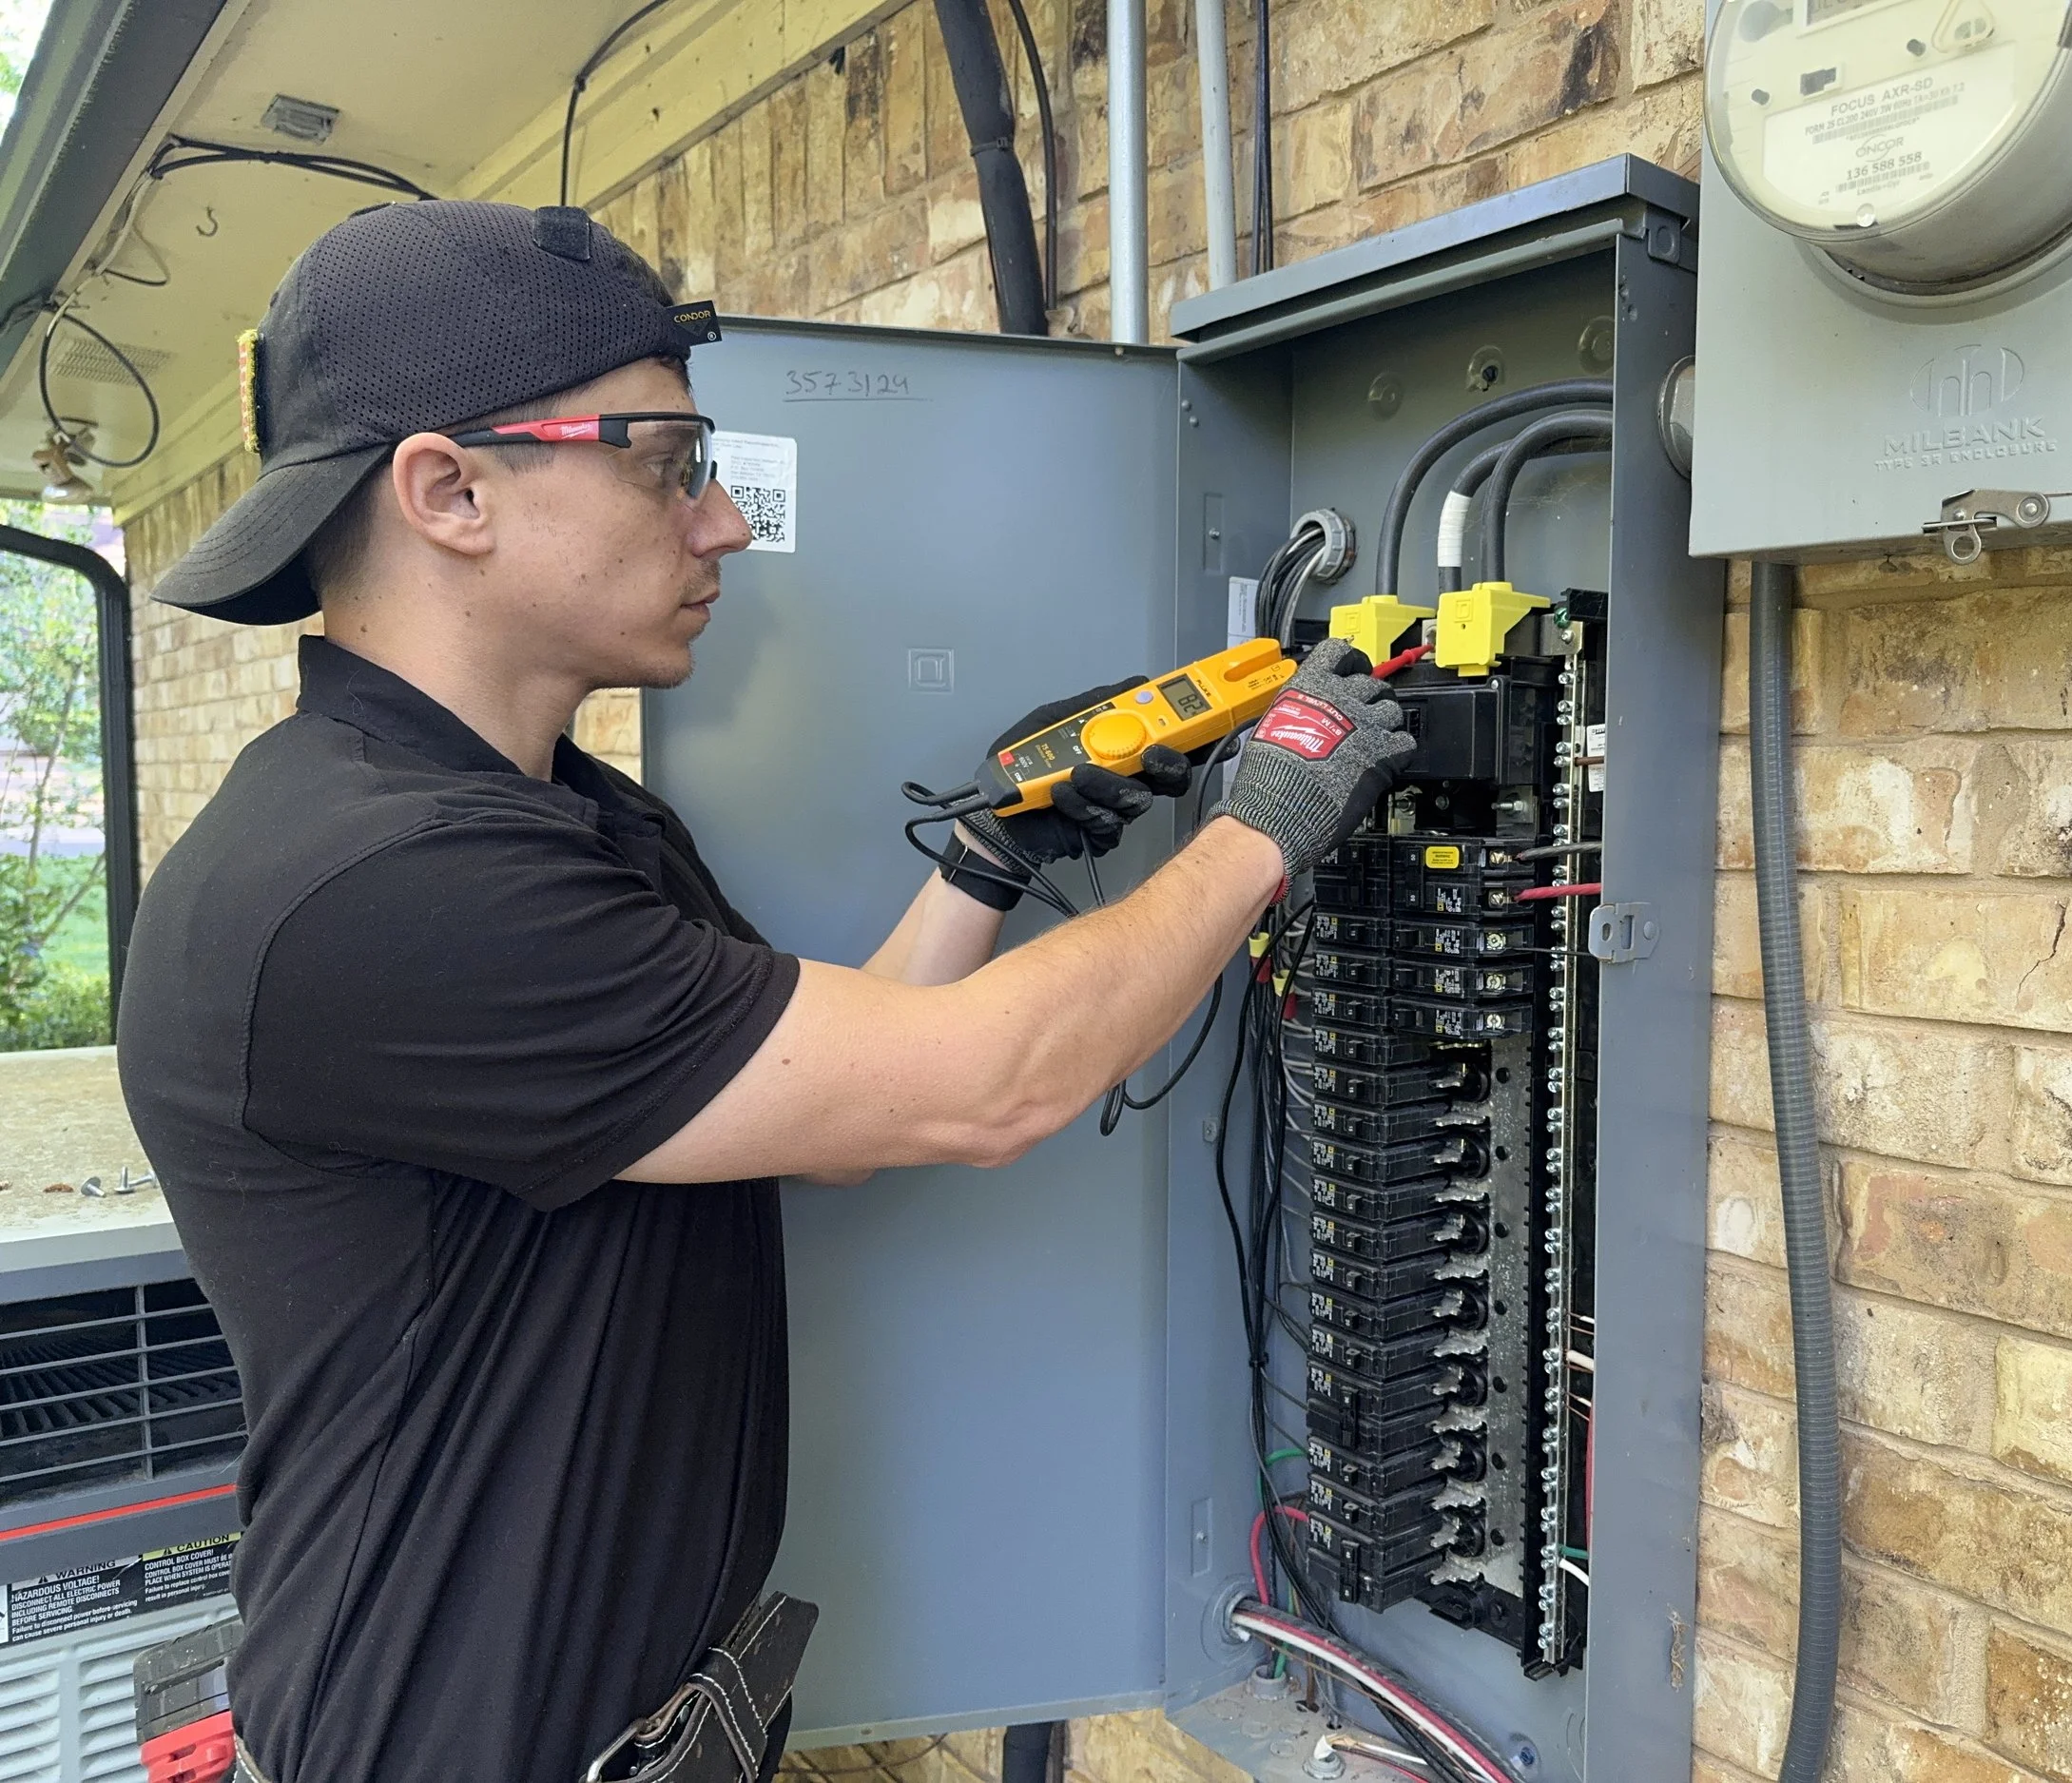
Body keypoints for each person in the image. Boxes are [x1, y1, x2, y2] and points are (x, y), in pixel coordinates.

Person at [113, 199, 1412, 1783]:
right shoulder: (379, 886)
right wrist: (1264, 828)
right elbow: (977, 1086)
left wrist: (997, 853)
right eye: (667, 464)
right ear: (448, 491)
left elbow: (840, 1112)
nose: (720, 521)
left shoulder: (575, 822)